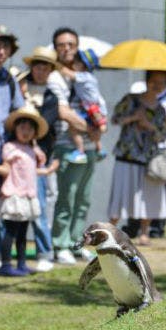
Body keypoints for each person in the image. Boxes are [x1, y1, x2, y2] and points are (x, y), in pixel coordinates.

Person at [48, 27, 105, 264]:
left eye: (71, 44)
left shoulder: (86, 76)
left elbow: (98, 105)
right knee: (67, 197)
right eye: (62, 44)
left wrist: (99, 126)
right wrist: (91, 128)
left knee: (83, 198)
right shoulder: (55, 76)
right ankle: (60, 244)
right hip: (65, 144)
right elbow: (63, 112)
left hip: (90, 146)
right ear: (56, 48)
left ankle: (76, 243)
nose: (67, 48)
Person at [107, 70, 166, 246]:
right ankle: (110, 230)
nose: (157, 85)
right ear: (147, 81)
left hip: (147, 159)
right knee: (119, 195)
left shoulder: (161, 110)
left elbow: (162, 136)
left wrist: (148, 126)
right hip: (126, 154)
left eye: (162, 82)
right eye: (154, 81)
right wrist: (134, 117)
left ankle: (144, 232)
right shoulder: (131, 99)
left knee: (146, 197)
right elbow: (115, 119)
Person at [0, 106, 47, 276]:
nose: (26, 131)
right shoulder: (10, 147)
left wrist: (49, 168)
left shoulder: (30, 150)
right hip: (14, 196)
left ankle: (21, 263)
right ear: (15, 129)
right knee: (10, 232)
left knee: (23, 233)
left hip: (28, 196)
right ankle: (7, 264)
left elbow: (37, 168)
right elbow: (6, 169)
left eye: (30, 129)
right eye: (22, 127)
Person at [21, 46, 60, 272]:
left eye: (45, 67)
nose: (40, 70)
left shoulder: (51, 98)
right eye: (37, 66)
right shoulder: (18, 88)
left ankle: (45, 252)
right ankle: (0, 253)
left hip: (38, 159)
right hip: (15, 156)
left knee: (39, 208)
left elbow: (42, 127)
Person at [0, 24, 25, 271]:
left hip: (0, 155)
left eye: (5, 46)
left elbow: (18, 114)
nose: (0, 50)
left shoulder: (9, 79)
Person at [59, 48, 107, 164]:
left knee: (73, 127)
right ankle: (100, 149)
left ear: (85, 66)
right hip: (91, 107)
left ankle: (80, 151)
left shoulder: (84, 76)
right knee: (94, 129)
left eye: (77, 62)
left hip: (92, 108)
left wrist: (57, 65)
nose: (74, 63)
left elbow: (67, 73)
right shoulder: (89, 77)